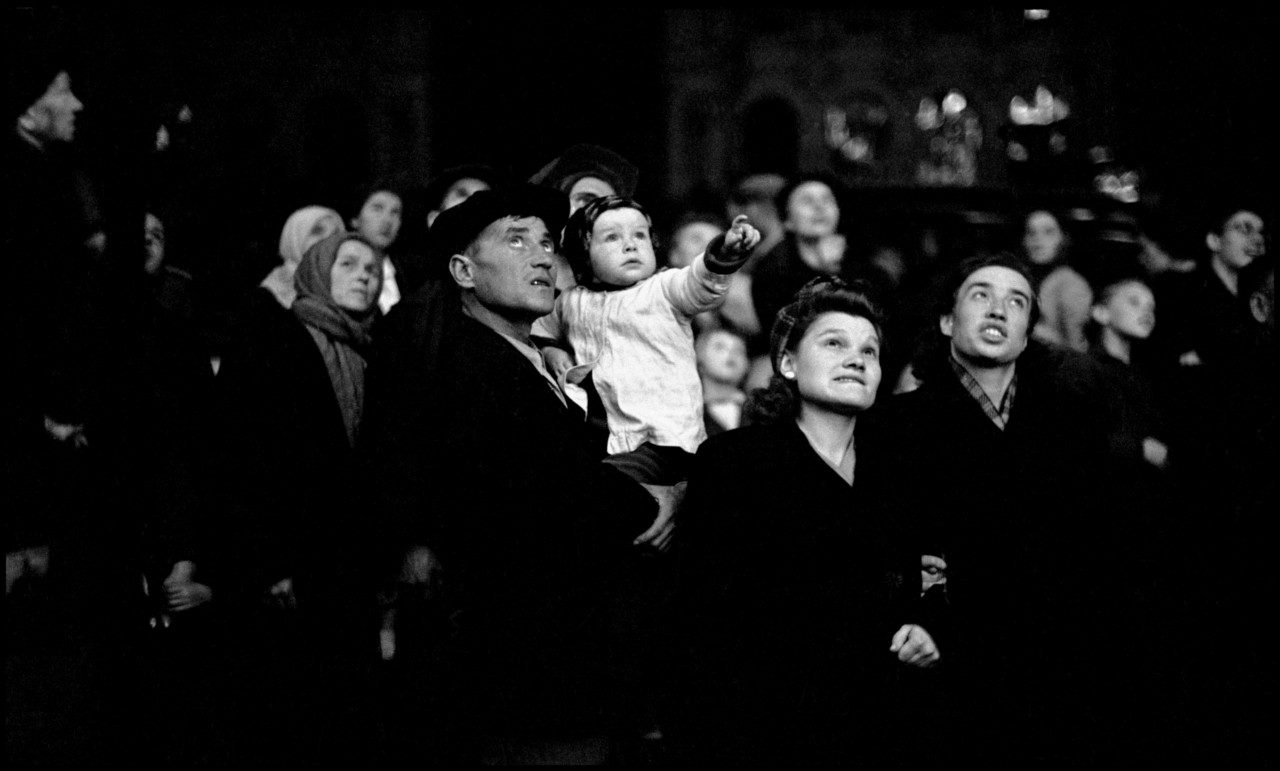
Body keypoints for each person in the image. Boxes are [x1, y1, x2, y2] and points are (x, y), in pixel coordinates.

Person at [372, 184, 675, 764]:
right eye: (516, 241)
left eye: (545, 243)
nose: (540, 257)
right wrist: (658, 497)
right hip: (526, 668)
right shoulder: (471, 367)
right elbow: (554, 484)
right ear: (463, 271)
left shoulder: (529, 357)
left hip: (563, 659)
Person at [674, 277, 938, 764]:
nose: (856, 359)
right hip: (766, 732)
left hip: (881, 729)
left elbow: (928, 577)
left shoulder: (899, 472)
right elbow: (700, 622)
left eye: (869, 350)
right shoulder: (735, 462)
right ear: (788, 363)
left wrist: (927, 625)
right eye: (834, 343)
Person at [877, 252, 1116, 762]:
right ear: (947, 321)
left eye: (1017, 302)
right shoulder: (894, 425)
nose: (997, 310)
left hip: (1053, 671)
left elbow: (1093, 552)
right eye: (980, 295)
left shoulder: (1070, 426)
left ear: (1027, 336)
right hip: (945, 670)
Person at [211, 231, 384, 764]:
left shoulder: (373, 351)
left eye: (372, 268)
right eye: (347, 264)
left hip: (347, 568)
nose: (364, 275)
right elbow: (241, 459)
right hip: (288, 569)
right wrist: (268, 562)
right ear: (315, 272)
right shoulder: (271, 341)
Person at [534, 195, 762, 487]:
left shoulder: (664, 289)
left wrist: (724, 254)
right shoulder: (570, 302)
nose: (630, 245)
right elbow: (540, 327)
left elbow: (700, 282)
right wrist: (551, 350)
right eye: (612, 237)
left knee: (612, 484)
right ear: (583, 252)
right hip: (604, 436)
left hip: (664, 440)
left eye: (640, 235)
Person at [1020, 208, 1093, 352]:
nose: (1038, 239)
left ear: (1063, 238)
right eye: (1031, 232)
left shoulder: (1071, 284)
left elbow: (1076, 347)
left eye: (1048, 232)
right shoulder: (1022, 279)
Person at [259, 205, 346, 309]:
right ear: (295, 238)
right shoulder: (268, 297)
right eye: (317, 231)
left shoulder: (350, 287)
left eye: (335, 234)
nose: (328, 239)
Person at [348, 185, 405, 314]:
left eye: (395, 212)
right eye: (377, 209)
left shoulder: (409, 275)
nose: (387, 220)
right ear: (355, 219)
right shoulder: (340, 271)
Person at [695, 327, 749, 437]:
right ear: (698, 357)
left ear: (747, 365)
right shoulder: (687, 413)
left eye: (739, 350)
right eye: (719, 347)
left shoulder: (763, 410)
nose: (731, 353)